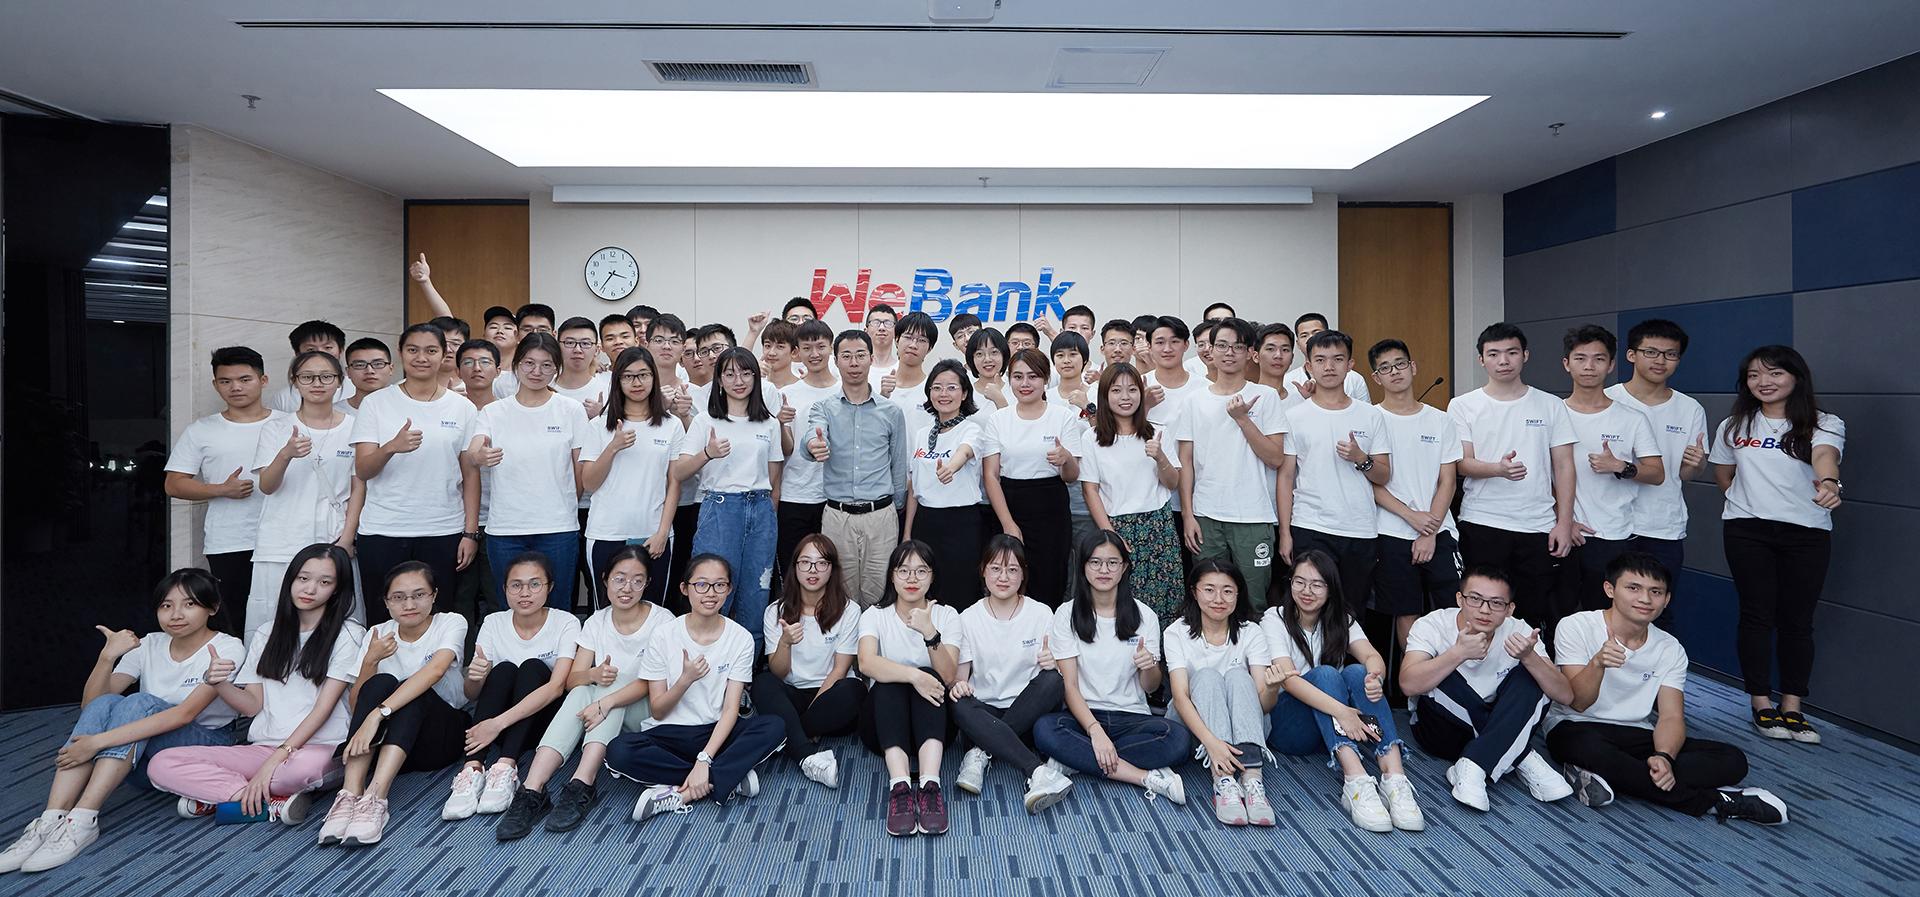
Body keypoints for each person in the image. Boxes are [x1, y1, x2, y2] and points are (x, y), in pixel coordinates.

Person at [1, 570, 247, 872]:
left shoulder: (227, 648)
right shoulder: (150, 644)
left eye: (189, 604)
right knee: (108, 702)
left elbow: (184, 714)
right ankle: (51, 819)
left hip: (204, 749)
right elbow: (92, 706)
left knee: (139, 702)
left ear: (213, 607)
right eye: (166, 605)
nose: (176, 614)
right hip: (140, 759)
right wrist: (107, 657)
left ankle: (83, 819)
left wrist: (97, 743)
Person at [1547, 553, 1787, 825]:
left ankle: (1612, 775)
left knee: (1733, 760)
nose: (1645, 599)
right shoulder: (1576, 626)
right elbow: (1578, 703)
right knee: (1587, 748)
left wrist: (1664, 757)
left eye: (1656, 592)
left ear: (1667, 599)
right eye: (1633, 588)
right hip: (1576, 726)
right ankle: (1714, 802)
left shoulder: (1670, 648)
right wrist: (1598, 664)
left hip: (1636, 733)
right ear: (1610, 589)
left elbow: (1671, 716)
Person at [147, 544, 364, 825]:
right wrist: (219, 683)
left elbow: (323, 709)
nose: (310, 589)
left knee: (297, 773)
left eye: (324, 582)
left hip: (320, 748)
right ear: (291, 580)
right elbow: (251, 706)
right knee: (162, 763)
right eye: (303, 578)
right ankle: (262, 800)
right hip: (263, 748)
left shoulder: (348, 633)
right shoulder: (266, 633)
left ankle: (220, 795)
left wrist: (278, 758)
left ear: (336, 590)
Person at [1707, 345, 1844, 744]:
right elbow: (1723, 474)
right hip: (1747, 531)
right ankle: (1760, 702)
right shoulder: (1734, 425)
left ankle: (1793, 705)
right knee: (1756, 615)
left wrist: (1830, 483)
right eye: (1754, 375)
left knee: (1797, 621)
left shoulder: (1823, 422)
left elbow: (1825, 455)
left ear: (1796, 377)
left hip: (1806, 532)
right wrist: (1748, 502)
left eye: (1774, 373)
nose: (1763, 382)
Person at [495, 549, 672, 840]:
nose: (627, 588)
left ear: (647, 583)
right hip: (606, 716)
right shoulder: (596, 622)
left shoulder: (662, 621)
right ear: (605, 580)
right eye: (619, 579)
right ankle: (532, 789)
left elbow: (653, 682)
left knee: (612, 684)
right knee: (581, 691)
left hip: (649, 714)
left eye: (637, 580)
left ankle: (584, 781)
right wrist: (592, 675)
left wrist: (605, 699)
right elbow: (572, 680)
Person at [608, 555, 785, 825]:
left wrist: (705, 758)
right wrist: (685, 680)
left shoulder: (740, 638)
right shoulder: (664, 635)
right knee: (618, 751)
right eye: (701, 585)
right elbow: (658, 709)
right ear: (685, 588)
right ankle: (728, 776)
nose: (710, 593)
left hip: (715, 731)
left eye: (719, 585)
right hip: (668, 733)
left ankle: (683, 793)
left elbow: (731, 709)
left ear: (729, 589)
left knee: (774, 726)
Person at [1261, 551, 1420, 832]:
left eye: (1317, 585)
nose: (1306, 591)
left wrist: (1375, 677)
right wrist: (1342, 711)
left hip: (1331, 725)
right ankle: (1355, 780)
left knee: (1359, 672)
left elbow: (1371, 656)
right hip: (1290, 727)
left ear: (1331, 588)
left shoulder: (1341, 619)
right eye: (1299, 582)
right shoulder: (1274, 618)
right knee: (1326, 674)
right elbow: (1288, 680)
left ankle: (1394, 777)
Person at [1399, 566, 1575, 812]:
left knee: (1533, 673)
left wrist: (1529, 657)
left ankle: (1473, 764)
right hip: (1442, 731)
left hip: (1497, 719)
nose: (1484, 610)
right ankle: (1521, 755)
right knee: (1444, 673)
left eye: (1496, 603)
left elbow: (1565, 695)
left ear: (1509, 609)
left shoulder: (1519, 630)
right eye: (1475, 599)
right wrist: (1457, 654)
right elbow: (1408, 684)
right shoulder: (1433, 624)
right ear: (1460, 599)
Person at [1034, 532, 1191, 805]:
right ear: (1083, 566)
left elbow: (1151, 687)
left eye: (1112, 563)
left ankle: (1075, 759)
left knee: (1178, 740)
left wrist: (1149, 666)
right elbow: (1069, 685)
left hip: (1131, 717)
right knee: (1044, 729)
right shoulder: (1066, 613)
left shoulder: (1145, 615)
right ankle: (1143, 777)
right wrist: (1095, 731)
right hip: (1083, 716)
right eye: (1095, 562)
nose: (1103, 570)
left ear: (1124, 567)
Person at [319, 563, 468, 848]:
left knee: (414, 688)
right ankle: (350, 794)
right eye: (399, 597)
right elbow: (357, 702)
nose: (409, 604)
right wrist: (370, 660)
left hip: (439, 738)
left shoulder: (451, 622)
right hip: (389, 746)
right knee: (380, 681)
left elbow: (435, 671)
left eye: (419, 595)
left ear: (434, 595)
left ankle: (376, 798)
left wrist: (378, 714)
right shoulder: (377, 633)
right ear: (386, 602)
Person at [1449, 323, 1577, 639]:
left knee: (1531, 611)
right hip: (1482, 522)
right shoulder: (1463, 405)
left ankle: (1525, 667)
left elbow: (1564, 466)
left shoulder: (1550, 404)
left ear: (1525, 356)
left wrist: (1564, 522)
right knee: (1481, 610)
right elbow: (1461, 463)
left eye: (1511, 353)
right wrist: (1497, 469)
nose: (1503, 361)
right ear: (1481, 360)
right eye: (1493, 354)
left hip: (1536, 525)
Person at [351, 324, 480, 626]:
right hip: (384, 529)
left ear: (444, 354)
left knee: (439, 617)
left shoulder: (462, 407)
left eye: (431, 350)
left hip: (443, 529)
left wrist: (470, 533)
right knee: (383, 618)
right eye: (413, 350)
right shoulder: (376, 403)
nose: (422, 358)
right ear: (400, 353)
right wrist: (391, 447)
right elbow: (363, 469)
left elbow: (470, 475)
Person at [442, 553, 580, 821]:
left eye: (534, 584)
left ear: (550, 587)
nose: (524, 593)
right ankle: (472, 769)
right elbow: (472, 694)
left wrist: (497, 724)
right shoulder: (494, 622)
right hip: (496, 729)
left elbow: (556, 688)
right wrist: (475, 678)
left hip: (541, 724)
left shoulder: (566, 622)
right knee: (503, 670)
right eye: (516, 585)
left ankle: (506, 767)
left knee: (532, 667)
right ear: (504, 589)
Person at [165, 346, 289, 634]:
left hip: (285, 537)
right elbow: (173, 483)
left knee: (290, 615)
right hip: (230, 540)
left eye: (245, 379)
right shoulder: (202, 429)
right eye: (225, 381)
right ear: (215, 384)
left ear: (263, 380)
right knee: (237, 618)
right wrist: (221, 489)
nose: (235, 387)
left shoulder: (288, 424)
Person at [950, 536, 1075, 813]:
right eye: (996, 568)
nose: (1003, 577)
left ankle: (981, 752)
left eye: (1012, 569)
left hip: (1027, 712)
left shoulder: (1041, 613)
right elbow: (960, 677)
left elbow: (1060, 670)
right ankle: (1037, 771)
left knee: (1053, 680)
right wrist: (958, 685)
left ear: (1023, 574)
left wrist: (1053, 662)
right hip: (984, 712)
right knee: (957, 700)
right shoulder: (968, 617)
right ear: (983, 571)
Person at [465, 333, 589, 608]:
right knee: (510, 608)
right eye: (529, 363)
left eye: (546, 365)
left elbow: (579, 471)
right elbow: (473, 452)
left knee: (557, 607)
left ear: (557, 369)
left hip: (558, 527)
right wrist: (480, 456)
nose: (537, 371)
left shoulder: (570, 410)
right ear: (516, 365)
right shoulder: (494, 411)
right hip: (505, 529)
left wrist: (564, 502)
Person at [1277, 330, 1392, 609]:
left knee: (1351, 611)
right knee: (1308, 608)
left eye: (1338, 359)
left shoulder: (1371, 414)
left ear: (1350, 365)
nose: (1329, 367)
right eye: (1320, 360)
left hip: (1359, 528)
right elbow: (1286, 477)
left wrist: (1361, 458)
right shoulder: (1294, 416)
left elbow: (1383, 474)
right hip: (1310, 525)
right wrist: (1285, 533)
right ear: (1309, 366)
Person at [251, 351, 364, 633]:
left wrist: (347, 538)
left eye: (326, 377)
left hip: (332, 536)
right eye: (307, 377)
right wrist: (285, 454)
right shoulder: (276, 428)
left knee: (335, 619)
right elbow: (267, 486)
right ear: (294, 381)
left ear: (339, 381)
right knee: (276, 619)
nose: (317, 383)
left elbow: (358, 486)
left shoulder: (355, 427)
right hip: (282, 539)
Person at [1177, 318, 1287, 607]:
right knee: (1208, 599)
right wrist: (1188, 515)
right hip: (1206, 516)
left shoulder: (1265, 396)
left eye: (1238, 347)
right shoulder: (1194, 400)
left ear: (1250, 353)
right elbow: (1185, 462)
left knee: (1253, 601)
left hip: (1253, 517)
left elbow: (1276, 458)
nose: (1229, 353)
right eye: (1222, 346)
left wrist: (1243, 420)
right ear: (1210, 351)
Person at [677, 348, 784, 645]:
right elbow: (679, 471)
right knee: (712, 589)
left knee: (756, 591)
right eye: (730, 374)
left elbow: (774, 478)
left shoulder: (769, 423)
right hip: (720, 509)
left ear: (756, 378)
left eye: (746, 373)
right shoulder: (705, 421)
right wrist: (707, 453)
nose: (739, 381)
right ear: (719, 380)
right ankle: (706, 659)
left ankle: (748, 668)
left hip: (760, 509)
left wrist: (769, 514)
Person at [857, 540, 963, 836]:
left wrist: (930, 632)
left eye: (921, 571)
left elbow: (948, 675)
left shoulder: (947, 615)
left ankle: (930, 786)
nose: (912, 578)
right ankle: (900, 787)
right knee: (893, 681)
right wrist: (913, 676)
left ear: (932, 576)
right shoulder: (875, 615)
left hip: (935, 728)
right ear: (892, 576)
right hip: (882, 728)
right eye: (903, 571)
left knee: (930, 674)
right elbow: (866, 663)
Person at [1366, 339, 1464, 651]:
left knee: (1455, 609)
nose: (1394, 372)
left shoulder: (1441, 420)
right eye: (1385, 368)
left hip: (1439, 531)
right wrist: (1412, 518)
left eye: (1400, 364)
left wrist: (1429, 530)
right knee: (1405, 611)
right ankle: (1416, 677)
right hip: (1390, 531)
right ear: (1376, 378)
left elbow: (1448, 481)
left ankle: (1452, 674)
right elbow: (1370, 483)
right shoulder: (1369, 419)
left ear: (1413, 367)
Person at [1164, 559, 1276, 827]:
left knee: (1238, 676)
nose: (1218, 599)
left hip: (1246, 728)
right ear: (1194, 592)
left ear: (1238, 594)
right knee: (1206, 676)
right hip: (1195, 729)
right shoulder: (1176, 632)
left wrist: (1272, 688)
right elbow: (1179, 697)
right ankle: (1223, 782)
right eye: (1209, 589)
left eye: (1227, 591)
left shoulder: (1251, 632)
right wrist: (1212, 742)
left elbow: (1263, 705)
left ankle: (1252, 780)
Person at [751, 535, 867, 790]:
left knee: (855, 689)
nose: (813, 570)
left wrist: (803, 721)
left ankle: (790, 734)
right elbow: (779, 673)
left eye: (821, 563)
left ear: (832, 569)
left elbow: (840, 670)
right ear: (795, 567)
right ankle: (806, 755)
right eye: (805, 562)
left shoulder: (849, 610)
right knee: (763, 682)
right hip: (793, 695)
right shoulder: (775, 611)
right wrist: (785, 642)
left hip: (832, 698)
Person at [1561, 325, 1664, 612]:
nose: (1589, 366)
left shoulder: (1631, 418)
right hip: (1561, 532)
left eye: (1599, 359)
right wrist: (1563, 520)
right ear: (1566, 364)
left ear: (1611, 365)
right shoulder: (1553, 413)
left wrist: (1621, 466)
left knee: (1603, 618)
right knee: (1558, 617)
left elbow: (1657, 473)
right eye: (1580, 358)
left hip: (1611, 534)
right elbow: (1541, 476)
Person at [804, 330, 910, 609]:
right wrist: (815, 445)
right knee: (839, 595)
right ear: (836, 361)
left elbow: (898, 465)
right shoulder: (823, 408)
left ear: (871, 359)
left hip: (881, 516)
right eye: (846, 356)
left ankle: (873, 640)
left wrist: (896, 508)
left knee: (881, 594)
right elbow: (813, 435)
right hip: (837, 517)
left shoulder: (891, 412)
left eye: (860, 355)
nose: (854, 362)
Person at [1605, 320, 1710, 591]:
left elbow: (1685, 474)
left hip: (1662, 525)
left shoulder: (1690, 409)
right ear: (1631, 355)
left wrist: (1697, 465)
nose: (1660, 361)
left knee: (1656, 606)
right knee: (1604, 605)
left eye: (1670, 354)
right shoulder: (1607, 400)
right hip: (1608, 524)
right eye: (1651, 352)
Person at [580, 347, 684, 610]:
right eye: (628, 376)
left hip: (653, 534)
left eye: (643, 375)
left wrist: (663, 532)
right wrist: (613, 447)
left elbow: (674, 483)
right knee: (606, 612)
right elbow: (589, 483)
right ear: (617, 380)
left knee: (653, 612)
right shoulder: (598, 426)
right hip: (606, 533)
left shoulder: (671, 425)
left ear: (654, 378)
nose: (636, 383)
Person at [1079, 363, 1182, 626]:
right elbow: (1090, 489)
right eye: (1116, 390)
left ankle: (1160, 653)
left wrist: (1160, 457)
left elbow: (1173, 483)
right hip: (1116, 527)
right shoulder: (1092, 438)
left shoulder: (1157, 431)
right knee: (1120, 603)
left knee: (1163, 604)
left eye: (1132, 390)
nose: (1125, 397)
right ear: (1105, 396)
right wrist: (1110, 535)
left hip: (1158, 527)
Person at [981, 349, 1084, 607]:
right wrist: (1008, 524)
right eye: (1018, 377)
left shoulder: (1062, 416)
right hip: (1008, 504)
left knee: (1050, 581)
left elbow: (1072, 476)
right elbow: (991, 475)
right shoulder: (998, 419)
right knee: (1008, 580)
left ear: (1046, 379)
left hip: (1051, 508)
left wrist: (1066, 458)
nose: (1025, 383)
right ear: (1009, 380)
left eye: (1033, 376)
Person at [904, 360, 988, 609]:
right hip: (925, 522)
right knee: (925, 593)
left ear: (964, 394)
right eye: (937, 387)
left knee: (960, 591)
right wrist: (907, 533)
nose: (944, 394)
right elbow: (914, 488)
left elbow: (964, 452)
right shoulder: (922, 434)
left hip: (961, 524)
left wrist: (951, 467)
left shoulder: (971, 429)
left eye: (952, 388)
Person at [775, 320, 842, 593]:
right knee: (795, 571)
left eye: (820, 346)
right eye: (807, 348)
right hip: (795, 495)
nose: (814, 354)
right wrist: (780, 424)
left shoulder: (844, 390)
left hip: (835, 497)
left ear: (831, 349)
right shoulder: (786, 395)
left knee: (832, 571)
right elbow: (786, 450)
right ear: (797, 352)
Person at [452, 339, 503, 629]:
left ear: (498, 370)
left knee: (498, 599)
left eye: (485, 362)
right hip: (457, 520)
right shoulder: (450, 409)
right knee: (461, 600)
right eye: (468, 362)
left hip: (499, 520)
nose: (477, 368)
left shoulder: (508, 410)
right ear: (457, 370)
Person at [265, 321, 350, 413]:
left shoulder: (355, 388)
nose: (320, 353)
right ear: (298, 354)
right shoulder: (283, 398)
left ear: (341, 350)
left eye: (328, 347)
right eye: (310, 349)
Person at [1286, 314, 1372, 403]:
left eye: (1317, 333)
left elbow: (1365, 409)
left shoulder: (1355, 379)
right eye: (1304, 335)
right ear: (1298, 344)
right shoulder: (1288, 380)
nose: (1310, 338)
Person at [883, 312, 938, 443]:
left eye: (922, 340)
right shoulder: (880, 386)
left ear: (930, 348)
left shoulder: (934, 390)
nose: (913, 345)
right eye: (908, 337)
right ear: (896, 340)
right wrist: (882, 397)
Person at [553, 317, 612, 417]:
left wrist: (599, 417)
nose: (577, 350)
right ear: (558, 347)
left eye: (585, 343)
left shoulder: (608, 390)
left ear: (597, 350)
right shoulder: (544, 386)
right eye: (570, 343)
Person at [341, 338, 393, 412]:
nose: (369, 371)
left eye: (378, 364)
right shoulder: (334, 412)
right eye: (360, 365)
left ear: (391, 369)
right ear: (348, 372)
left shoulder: (405, 407)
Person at [967, 327, 1011, 410]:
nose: (987, 359)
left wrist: (999, 399)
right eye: (979, 354)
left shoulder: (1015, 390)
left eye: (994, 352)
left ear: (1004, 355)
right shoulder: (965, 394)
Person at [1253, 323, 1295, 399]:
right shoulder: (1242, 400)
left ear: (1292, 358)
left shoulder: (1299, 399)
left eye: (1285, 350)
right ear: (1256, 356)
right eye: (1270, 349)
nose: (1278, 355)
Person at [759, 319, 800, 389]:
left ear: (794, 352)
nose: (771, 353)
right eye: (768, 346)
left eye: (780, 347)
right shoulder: (754, 386)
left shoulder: (802, 388)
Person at [866, 302, 899, 378]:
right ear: (866, 331)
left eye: (888, 323)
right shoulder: (856, 368)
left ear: (895, 331)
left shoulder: (902, 369)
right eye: (876, 322)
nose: (882, 328)